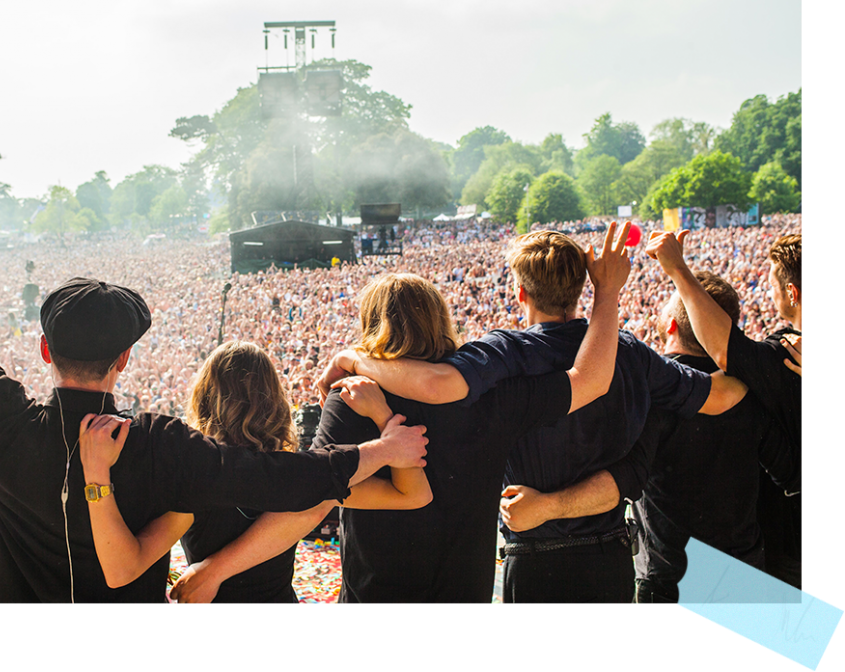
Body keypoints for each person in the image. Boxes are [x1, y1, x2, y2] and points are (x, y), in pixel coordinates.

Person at [0, 115, 429, 603]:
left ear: (45, 350)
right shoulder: (157, 445)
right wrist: (381, 449)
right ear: (124, 358)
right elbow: (281, 477)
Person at [169, 222, 632, 603]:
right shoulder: (493, 393)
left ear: (371, 326)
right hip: (463, 593)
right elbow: (588, 383)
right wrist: (606, 296)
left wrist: (216, 570)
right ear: (440, 320)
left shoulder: (351, 398)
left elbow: (310, 502)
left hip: (377, 594)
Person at [318, 229, 749, 603]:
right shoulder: (629, 352)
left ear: (521, 292)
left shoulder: (505, 355)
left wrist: (353, 358)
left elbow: (436, 384)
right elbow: (719, 395)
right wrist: (768, 364)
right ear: (581, 286)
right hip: (631, 555)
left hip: (532, 556)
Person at [79, 340, 432, 603]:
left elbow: (123, 568)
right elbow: (413, 494)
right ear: (274, 400)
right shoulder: (306, 479)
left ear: (204, 400)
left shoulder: (191, 490)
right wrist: (389, 425)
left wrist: (96, 479)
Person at [630, 271, 801, 603]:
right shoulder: (754, 395)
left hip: (671, 580)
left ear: (670, 327)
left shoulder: (646, 397)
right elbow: (791, 474)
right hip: (743, 576)